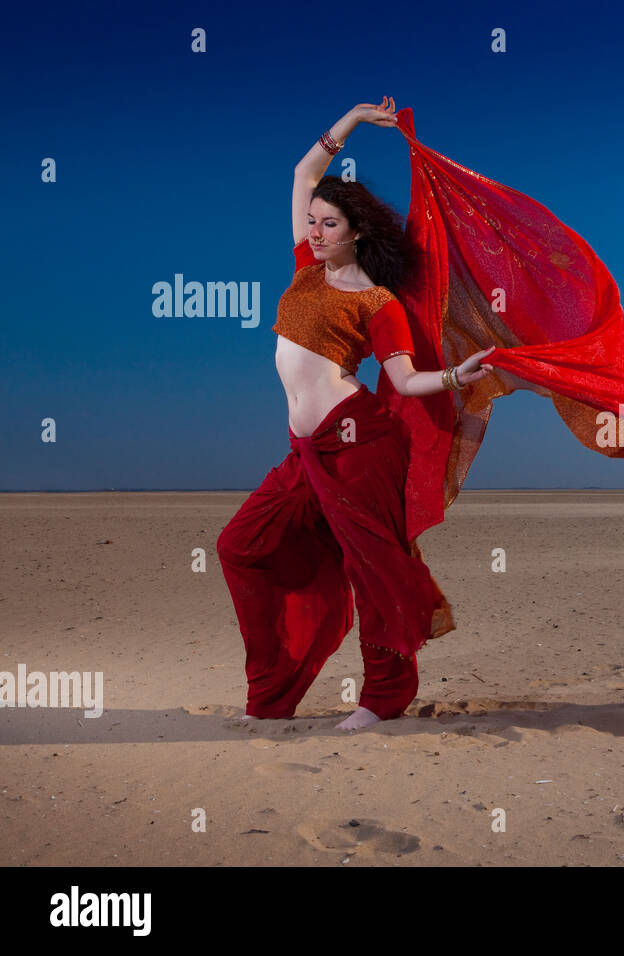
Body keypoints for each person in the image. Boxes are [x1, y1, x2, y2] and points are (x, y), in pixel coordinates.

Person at [216, 96, 494, 731]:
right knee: (239, 546)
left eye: (329, 225)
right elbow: (302, 175)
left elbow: (402, 378)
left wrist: (457, 375)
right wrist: (351, 120)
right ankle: (274, 690)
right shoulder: (302, 268)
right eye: (313, 223)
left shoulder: (376, 301)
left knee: (375, 569)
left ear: (358, 232)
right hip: (306, 451)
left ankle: (384, 695)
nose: (315, 232)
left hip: (361, 444)